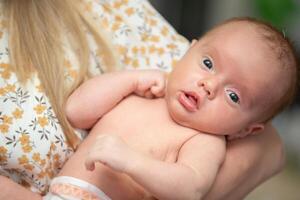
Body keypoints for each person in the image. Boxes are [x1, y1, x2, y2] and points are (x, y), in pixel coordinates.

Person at [0, 0, 286, 199]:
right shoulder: (145, 91)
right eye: (208, 64)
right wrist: (129, 80)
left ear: (245, 130)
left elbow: (190, 189)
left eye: (233, 95)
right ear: (188, 52)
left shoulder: (204, 140)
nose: (209, 85)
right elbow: (76, 111)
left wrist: (131, 162)